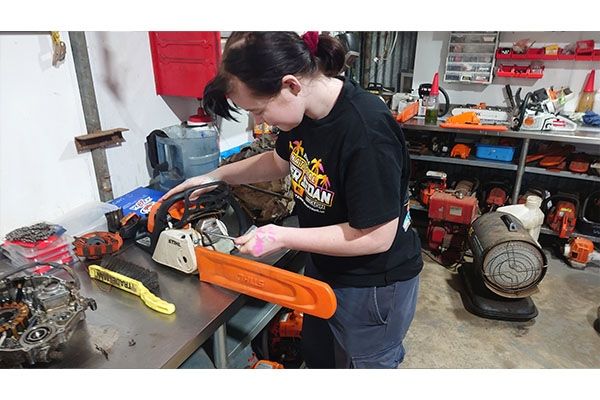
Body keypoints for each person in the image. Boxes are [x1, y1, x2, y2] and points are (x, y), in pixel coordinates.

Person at [162, 31, 423, 368]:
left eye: (258, 110)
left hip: (372, 287)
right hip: (326, 269)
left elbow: (377, 237)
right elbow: (279, 162)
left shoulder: (366, 131)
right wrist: (216, 176)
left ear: (291, 86)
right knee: (320, 361)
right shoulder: (305, 115)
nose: (259, 121)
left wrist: (281, 236)